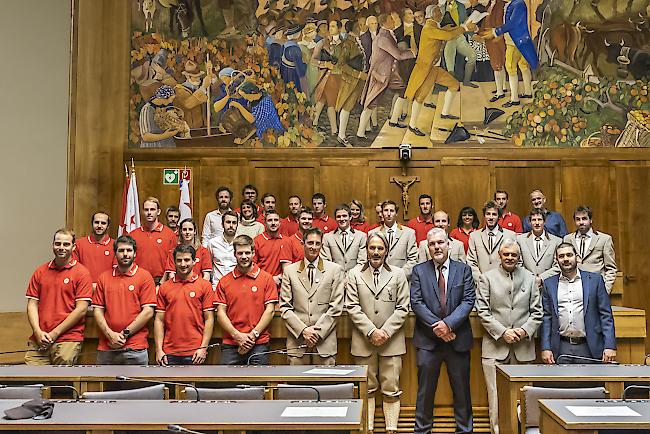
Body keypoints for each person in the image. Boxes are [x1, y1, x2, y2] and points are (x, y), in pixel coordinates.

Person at [411, 228, 476, 434]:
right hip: (428, 342)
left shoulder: (463, 270)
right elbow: (417, 303)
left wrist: (448, 325)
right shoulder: (419, 271)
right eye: (432, 244)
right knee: (425, 393)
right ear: (427, 247)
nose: (437, 247)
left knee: (462, 392)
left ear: (449, 244)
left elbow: (468, 301)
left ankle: (465, 430)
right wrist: (439, 328)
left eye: (440, 242)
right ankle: (422, 430)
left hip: (457, 340)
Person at [475, 239, 543, 434]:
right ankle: (496, 431)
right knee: (495, 397)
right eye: (506, 254)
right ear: (500, 256)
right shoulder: (487, 278)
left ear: (519, 257)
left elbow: (537, 312)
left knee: (525, 396)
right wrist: (503, 332)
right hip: (495, 347)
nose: (510, 258)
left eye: (514, 255)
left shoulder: (530, 278)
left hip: (523, 348)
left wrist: (522, 331)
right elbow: (483, 312)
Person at [347, 232, 410, 434]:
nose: (376, 252)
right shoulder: (354, 274)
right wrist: (371, 331)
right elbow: (352, 306)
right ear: (366, 250)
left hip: (391, 342)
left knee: (391, 388)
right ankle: (369, 429)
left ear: (386, 251)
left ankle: (391, 429)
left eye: (380, 248)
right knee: (367, 388)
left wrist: (385, 332)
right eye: (372, 248)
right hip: (363, 342)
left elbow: (403, 308)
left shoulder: (398, 274)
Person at [25, 229, 93, 365]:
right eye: (58, 244)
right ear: (53, 245)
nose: (61, 248)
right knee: (34, 383)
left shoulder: (82, 273)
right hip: (40, 339)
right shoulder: (40, 272)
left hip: (67, 339)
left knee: (61, 383)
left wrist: (54, 333)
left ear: (73, 247)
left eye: (66, 244)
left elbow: (81, 310)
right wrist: (38, 332)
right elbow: (32, 304)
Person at [540, 243, 616, 364]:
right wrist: (545, 347)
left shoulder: (595, 280)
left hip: (589, 345)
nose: (565, 259)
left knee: (592, 383)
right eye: (561, 256)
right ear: (556, 260)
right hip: (561, 346)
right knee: (562, 382)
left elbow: (606, 315)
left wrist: (610, 345)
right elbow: (546, 318)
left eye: (569, 255)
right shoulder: (549, 284)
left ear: (577, 257)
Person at [280, 228, 345, 365]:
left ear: (321, 245)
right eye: (310, 243)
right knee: (296, 385)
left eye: (317, 243)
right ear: (302, 244)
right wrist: (303, 330)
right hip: (298, 343)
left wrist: (316, 332)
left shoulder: (334, 270)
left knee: (325, 385)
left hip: (324, 342)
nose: (313, 247)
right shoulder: (290, 271)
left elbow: (336, 307)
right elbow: (285, 307)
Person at [405, 5, 473, 134]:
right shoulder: (429, 28)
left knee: (454, 85)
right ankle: (412, 126)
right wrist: (464, 28)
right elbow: (448, 36)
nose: (441, 13)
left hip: (434, 68)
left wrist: (454, 28)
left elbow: (445, 32)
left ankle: (445, 113)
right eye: (438, 12)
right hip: (427, 69)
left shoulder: (435, 26)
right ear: (431, 15)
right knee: (420, 98)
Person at [93, 235, 156, 365]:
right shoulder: (103, 278)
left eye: (129, 250)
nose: (125, 254)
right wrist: (110, 335)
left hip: (135, 348)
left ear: (135, 253)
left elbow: (148, 312)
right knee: (104, 385)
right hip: (107, 347)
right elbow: (97, 311)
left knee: (139, 386)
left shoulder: (144, 277)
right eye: (121, 251)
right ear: (115, 254)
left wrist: (124, 334)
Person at [215, 235, 278, 365]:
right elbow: (220, 313)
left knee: (260, 385)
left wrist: (253, 336)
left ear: (253, 253)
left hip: (259, 343)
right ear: (234, 254)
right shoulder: (224, 281)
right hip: (231, 344)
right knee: (224, 383)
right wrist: (237, 336)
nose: (244, 256)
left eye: (247, 252)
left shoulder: (266, 279)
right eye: (240, 253)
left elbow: (270, 311)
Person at [357, 13, 416, 137]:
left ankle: (393, 120)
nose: (394, 21)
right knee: (371, 103)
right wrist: (412, 53)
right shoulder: (382, 38)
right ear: (384, 22)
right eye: (391, 20)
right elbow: (398, 55)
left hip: (390, 73)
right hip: (380, 75)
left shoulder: (388, 34)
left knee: (403, 91)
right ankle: (360, 132)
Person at [155, 245, 215, 366]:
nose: (183, 264)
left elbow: (209, 319)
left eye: (187, 260)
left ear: (194, 261)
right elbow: (159, 320)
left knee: (191, 386)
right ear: (174, 262)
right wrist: (159, 350)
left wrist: (203, 348)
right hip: (169, 352)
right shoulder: (164, 287)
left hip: (195, 352)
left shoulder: (205, 286)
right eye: (179, 260)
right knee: (169, 385)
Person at [481, 0, 538, 108]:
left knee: (511, 68)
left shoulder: (518, 4)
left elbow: (513, 23)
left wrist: (495, 31)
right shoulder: (512, 4)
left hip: (514, 41)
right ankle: (528, 92)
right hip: (519, 40)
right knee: (523, 66)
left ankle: (514, 99)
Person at [564, 206, 617, 294]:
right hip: (573, 289)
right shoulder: (567, 239)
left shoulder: (604, 239)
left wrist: (605, 291)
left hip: (596, 289)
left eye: (584, 219)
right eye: (578, 219)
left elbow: (611, 269)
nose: (581, 222)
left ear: (590, 220)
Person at [128, 197, 177, 285]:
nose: (149, 213)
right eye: (146, 210)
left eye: (152, 209)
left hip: (161, 282)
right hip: (138, 281)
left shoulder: (169, 234)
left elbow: (172, 261)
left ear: (158, 212)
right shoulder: (133, 235)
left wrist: (162, 282)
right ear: (142, 212)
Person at [467, 200, 517, 284]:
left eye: (494, 214)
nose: (491, 217)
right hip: (480, 284)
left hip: (503, 284)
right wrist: (481, 279)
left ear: (499, 217)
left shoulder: (510, 235)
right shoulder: (474, 236)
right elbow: (471, 261)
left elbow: (516, 260)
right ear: (484, 215)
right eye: (488, 214)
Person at [335, 20, 368, 147]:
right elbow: (341, 64)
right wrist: (358, 74)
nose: (361, 27)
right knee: (346, 106)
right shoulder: (348, 43)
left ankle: (342, 135)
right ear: (353, 28)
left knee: (349, 106)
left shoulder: (356, 41)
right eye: (358, 26)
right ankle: (341, 135)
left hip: (357, 81)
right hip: (350, 81)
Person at [369, 200, 419, 280]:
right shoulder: (372, 233)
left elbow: (413, 259)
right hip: (379, 280)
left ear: (396, 213)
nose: (389, 214)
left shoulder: (409, 233)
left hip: (402, 280)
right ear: (382, 213)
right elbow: (369, 258)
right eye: (386, 210)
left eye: (392, 211)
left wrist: (399, 276)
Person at [312, 20, 343, 137]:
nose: (330, 29)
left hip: (338, 76)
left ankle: (313, 122)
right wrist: (324, 64)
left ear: (339, 29)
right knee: (331, 102)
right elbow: (313, 60)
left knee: (323, 100)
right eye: (329, 26)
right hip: (326, 76)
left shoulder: (343, 43)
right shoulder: (321, 43)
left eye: (333, 26)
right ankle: (334, 129)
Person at [517, 208, 562, 287]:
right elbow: (518, 264)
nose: (537, 223)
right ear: (530, 222)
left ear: (545, 222)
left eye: (540, 220)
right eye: (534, 220)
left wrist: (541, 278)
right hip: (526, 284)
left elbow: (558, 266)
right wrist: (532, 278)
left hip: (548, 284)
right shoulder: (520, 240)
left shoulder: (557, 241)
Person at [440, 0, 478, 88]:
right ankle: (452, 86)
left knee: (472, 55)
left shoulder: (460, 6)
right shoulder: (441, 7)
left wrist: (472, 35)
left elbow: (466, 22)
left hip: (459, 36)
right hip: (448, 39)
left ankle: (466, 81)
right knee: (450, 65)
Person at [162, 218, 212, 283]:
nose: (187, 232)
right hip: (179, 287)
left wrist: (198, 288)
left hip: (198, 287)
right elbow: (171, 275)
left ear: (195, 232)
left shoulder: (203, 251)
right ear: (181, 232)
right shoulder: (174, 251)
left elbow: (206, 276)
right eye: (184, 230)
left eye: (190, 229)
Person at [322, 204, 368, 273]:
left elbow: (362, 262)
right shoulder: (327, 237)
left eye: (344, 216)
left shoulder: (361, 236)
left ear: (350, 217)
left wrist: (351, 277)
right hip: (335, 279)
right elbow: (326, 262)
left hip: (354, 279)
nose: (341, 219)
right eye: (338, 217)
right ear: (335, 219)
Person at [73, 211, 115, 287]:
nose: (99, 225)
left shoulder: (115, 245)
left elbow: (116, 272)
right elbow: (75, 270)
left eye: (103, 223)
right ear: (92, 224)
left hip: (106, 289)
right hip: (83, 288)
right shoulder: (79, 244)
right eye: (96, 222)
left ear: (108, 226)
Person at [254, 210, 292, 285]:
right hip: (261, 283)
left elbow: (289, 267)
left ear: (280, 222)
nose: (273, 223)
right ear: (265, 223)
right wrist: (271, 279)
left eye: (276, 220)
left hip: (281, 285)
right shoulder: (256, 241)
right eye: (270, 220)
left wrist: (281, 277)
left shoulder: (287, 241)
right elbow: (252, 266)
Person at [173, 59, 213, 129]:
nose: (198, 79)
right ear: (188, 77)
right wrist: (203, 87)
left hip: (203, 126)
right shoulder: (179, 90)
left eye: (199, 76)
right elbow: (188, 104)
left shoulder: (199, 87)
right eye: (195, 77)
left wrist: (210, 72)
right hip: (188, 128)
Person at [280, 25, 308, 93]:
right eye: (301, 33)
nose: (302, 35)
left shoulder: (286, 44)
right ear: (297, 35)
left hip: (285, 73)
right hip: (292, 76)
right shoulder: (294, 49)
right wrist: (307, 64)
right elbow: (301, 71)